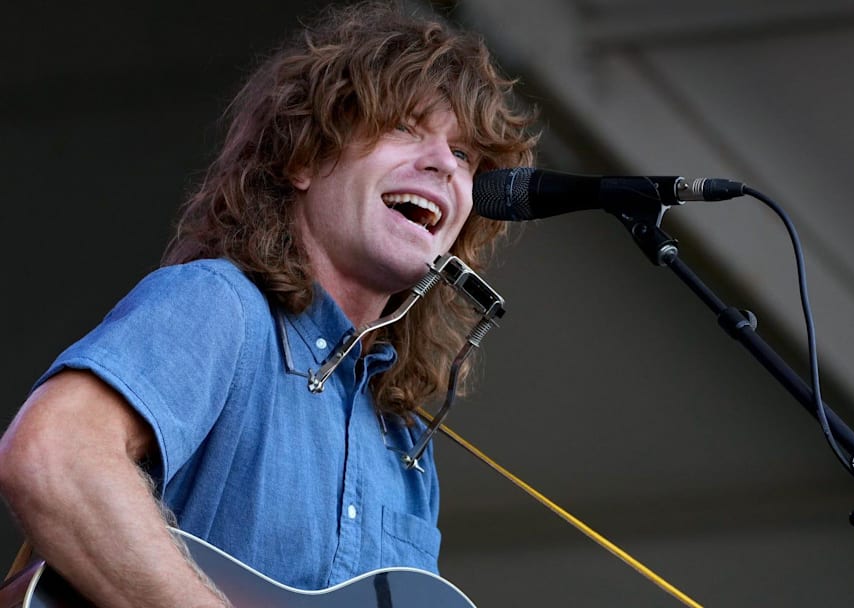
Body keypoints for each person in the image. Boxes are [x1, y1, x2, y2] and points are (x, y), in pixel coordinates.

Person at [0, 2, 536, 606]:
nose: (442, 164)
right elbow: (55, 455)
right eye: (406, 126)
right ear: (305, 157)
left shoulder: (405, 441)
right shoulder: (219, 305)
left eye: (465, 156)